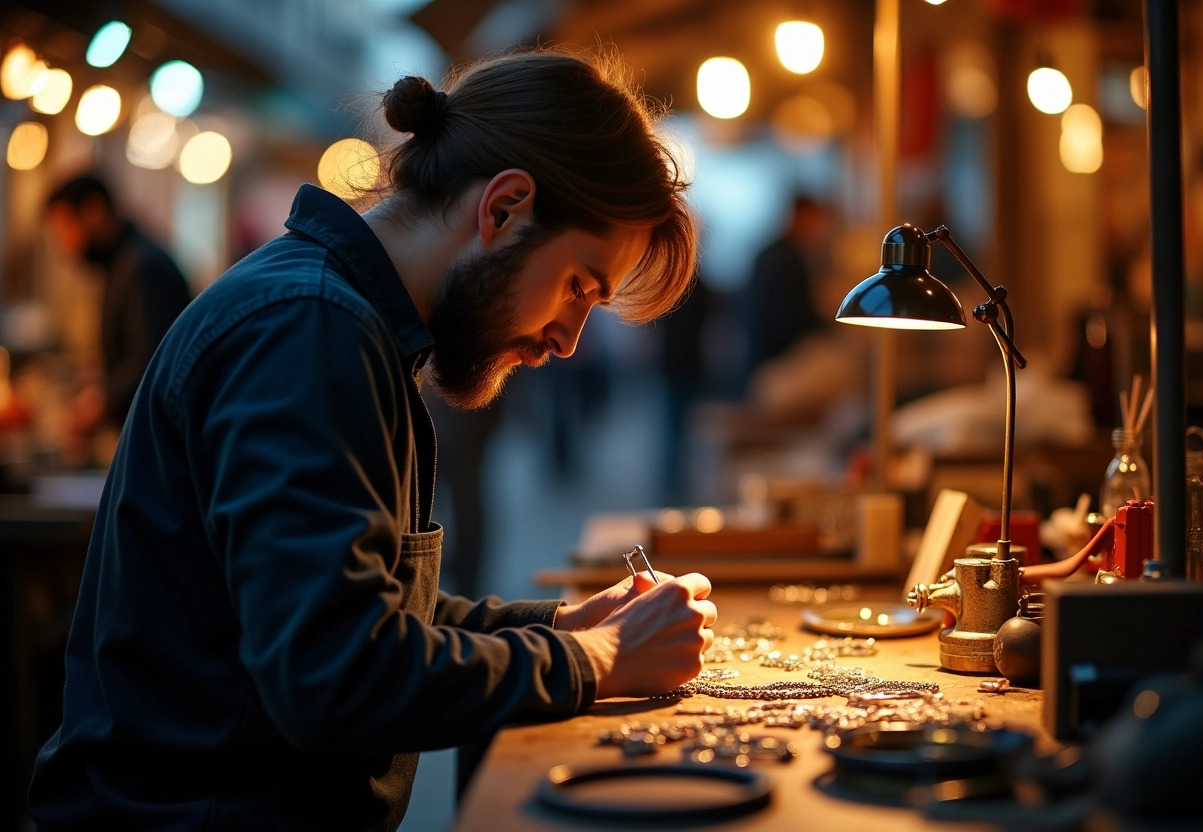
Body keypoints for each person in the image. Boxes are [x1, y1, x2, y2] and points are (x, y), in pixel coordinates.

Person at [27, 48, 714, 831]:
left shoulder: (349, 325)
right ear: (503, 209)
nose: (567, 339)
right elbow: (336, 675)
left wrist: (564, 628)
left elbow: (368, 614)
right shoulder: (307, 331)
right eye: (578, 287)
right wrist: (600, 661)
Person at [43, 175, 193, 443]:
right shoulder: (125, 263)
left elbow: (150, 362)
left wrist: (100, 405)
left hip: (163, 437)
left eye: (66, 226)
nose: (65, 246)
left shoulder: (143, 267)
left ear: (94, 210)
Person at [742, 193, 833, 376]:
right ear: (799, 218)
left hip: (763, 356)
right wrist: (827, 327)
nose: (817, 230)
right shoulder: (784, 259)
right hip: (775, 360)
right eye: (814, 222)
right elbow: (790, 316)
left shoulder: (776, 253)